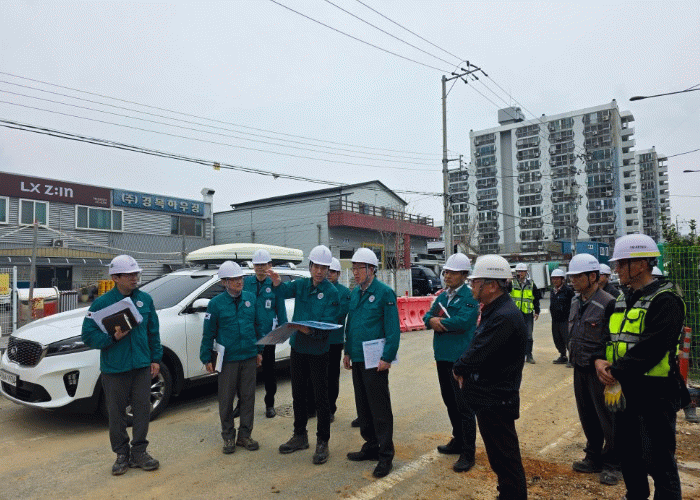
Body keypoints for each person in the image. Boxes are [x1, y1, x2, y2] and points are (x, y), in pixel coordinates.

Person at [596, 234, 689, 500]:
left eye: (621, 264)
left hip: (655, 395)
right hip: (626, 392)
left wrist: (614, 371)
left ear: (639, 265)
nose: (616, 269)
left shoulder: (666, 301)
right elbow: (608, 338)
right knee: (629, 456)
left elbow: (652, 348)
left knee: (659, 460)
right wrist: (599, 360)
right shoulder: (621, 300)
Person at [453, 255, 527, 500]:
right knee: (499, 458)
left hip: (497, 399)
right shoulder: (495, 310)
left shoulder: (504, 316)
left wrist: (459, 367)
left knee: (506, 460)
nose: (472, 286)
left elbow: (479, 350)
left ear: (492, 285)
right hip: (489, 398)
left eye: (476, 282)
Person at [81, 255, 162, 475]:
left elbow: (153, 332)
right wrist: (112, 338)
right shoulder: (102, 304)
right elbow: (87, 335)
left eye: (136, 274)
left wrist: (155, 359)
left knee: (142, 410)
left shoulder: (145, 300)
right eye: (129, 275)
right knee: (117, 414)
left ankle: (139, 452)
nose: (135, 278)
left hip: (141, 366)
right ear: (115, 278)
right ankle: (121, 454)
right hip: (115, 368)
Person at [271, 245, 340, 465]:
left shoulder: (332, 293)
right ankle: (299, 435)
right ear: (310, 266)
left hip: (318, 351)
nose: (319, 271)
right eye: (316, 266)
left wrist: (307, 329)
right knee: (298, 394)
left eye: (323, 268)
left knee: (321, 397)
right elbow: (282, 292)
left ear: (328, 270)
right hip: (298, 349)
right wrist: (276, 283)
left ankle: (323, 441)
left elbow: (328, 325)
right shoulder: (301, 285)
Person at [344, 248, 400, 478]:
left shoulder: (385, 293)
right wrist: (347, 351)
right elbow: (351, 324)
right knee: (363, 407)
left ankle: (385, 455)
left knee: (379, 409)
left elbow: (393, 329)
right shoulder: (355, 293)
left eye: (360, 268)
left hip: (375, 360)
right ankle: (371, 446)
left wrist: (388, 356)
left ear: (372, 269)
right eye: (354, 268)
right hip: (358, 357)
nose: (355, 272)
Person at [422, 253, 479, 473]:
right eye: (446, 272)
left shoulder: (469, 296)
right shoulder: (442, 297)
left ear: (464, 275)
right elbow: (427, 317)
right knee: (450, 401)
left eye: (452, 273)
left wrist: (440, 322)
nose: (447, 276)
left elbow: (464, 321)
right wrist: (433, 320)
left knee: (464, 406)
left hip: (460, 358)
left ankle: (468, 451)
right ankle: (458, 439)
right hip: (443, 357)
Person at [566, 254, 619, 486]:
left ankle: (614, 464)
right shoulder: (575, 301)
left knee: (608, 418)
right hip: (580, 366)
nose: (573, 280)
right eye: (572, 276)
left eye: (578, 276)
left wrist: (604, 362)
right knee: (587, 416)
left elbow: (613, 337)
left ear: (593, 277)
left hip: (600, 371)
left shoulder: (609, 303)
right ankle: (593, 456)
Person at [200, 261, 261, 455]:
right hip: (227, 359)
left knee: (248, 397)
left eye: (240, 278)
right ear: (224, 282)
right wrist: (206, 357)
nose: (239, 282)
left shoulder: (251, 298)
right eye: (234, 279)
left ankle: (245, 435)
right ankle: (228, 436)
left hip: (249, 355)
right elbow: (208, 333)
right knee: (226, 399)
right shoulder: (216, 304)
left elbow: (257, 325)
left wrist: (259, 350)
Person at [243, 248, 288, 419]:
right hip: (249, 334)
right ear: (253, 266)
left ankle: (270, 404)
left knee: (269, 371)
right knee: (246, 373)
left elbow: (281, 308)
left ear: (270, 265)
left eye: (263, 264)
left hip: (268, 335)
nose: (260, 268)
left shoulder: (274, 284)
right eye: (257, 264)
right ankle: (242, 405)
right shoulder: (246, 282)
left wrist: (283, 330)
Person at [327, 257, 351, 422]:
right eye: (327, 271)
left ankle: (330, 408)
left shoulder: (344, 292)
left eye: (333, 272)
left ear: (338, 274)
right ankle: (314, 406)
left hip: (334, 340)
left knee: (332, 376)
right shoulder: (318, 288)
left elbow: (340, 314)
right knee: (315, 376)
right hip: (317, 340)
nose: (329, 274)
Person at [510, 262, 540, 364]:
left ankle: (529, 355)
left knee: (529, 335)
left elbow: (536, 299)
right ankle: (517, 356)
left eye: (522, 271)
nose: (520, 273)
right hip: (515, 314)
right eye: (519, 271)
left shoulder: (531, 284)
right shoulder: (511, 283)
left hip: (527, 313)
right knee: (515, 335)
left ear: (526, 272)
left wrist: (537, 311)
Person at [549, 268, 575, 365]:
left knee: (567, 339)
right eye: (553, 278)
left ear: (562, 279)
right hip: (555, 320)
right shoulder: (552, 291)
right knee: (557, 338)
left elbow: (573, 304)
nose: (555, 280)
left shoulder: (568, 291)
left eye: (557, 278)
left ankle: (572, 358)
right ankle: (563, 355)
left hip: (565, 319)